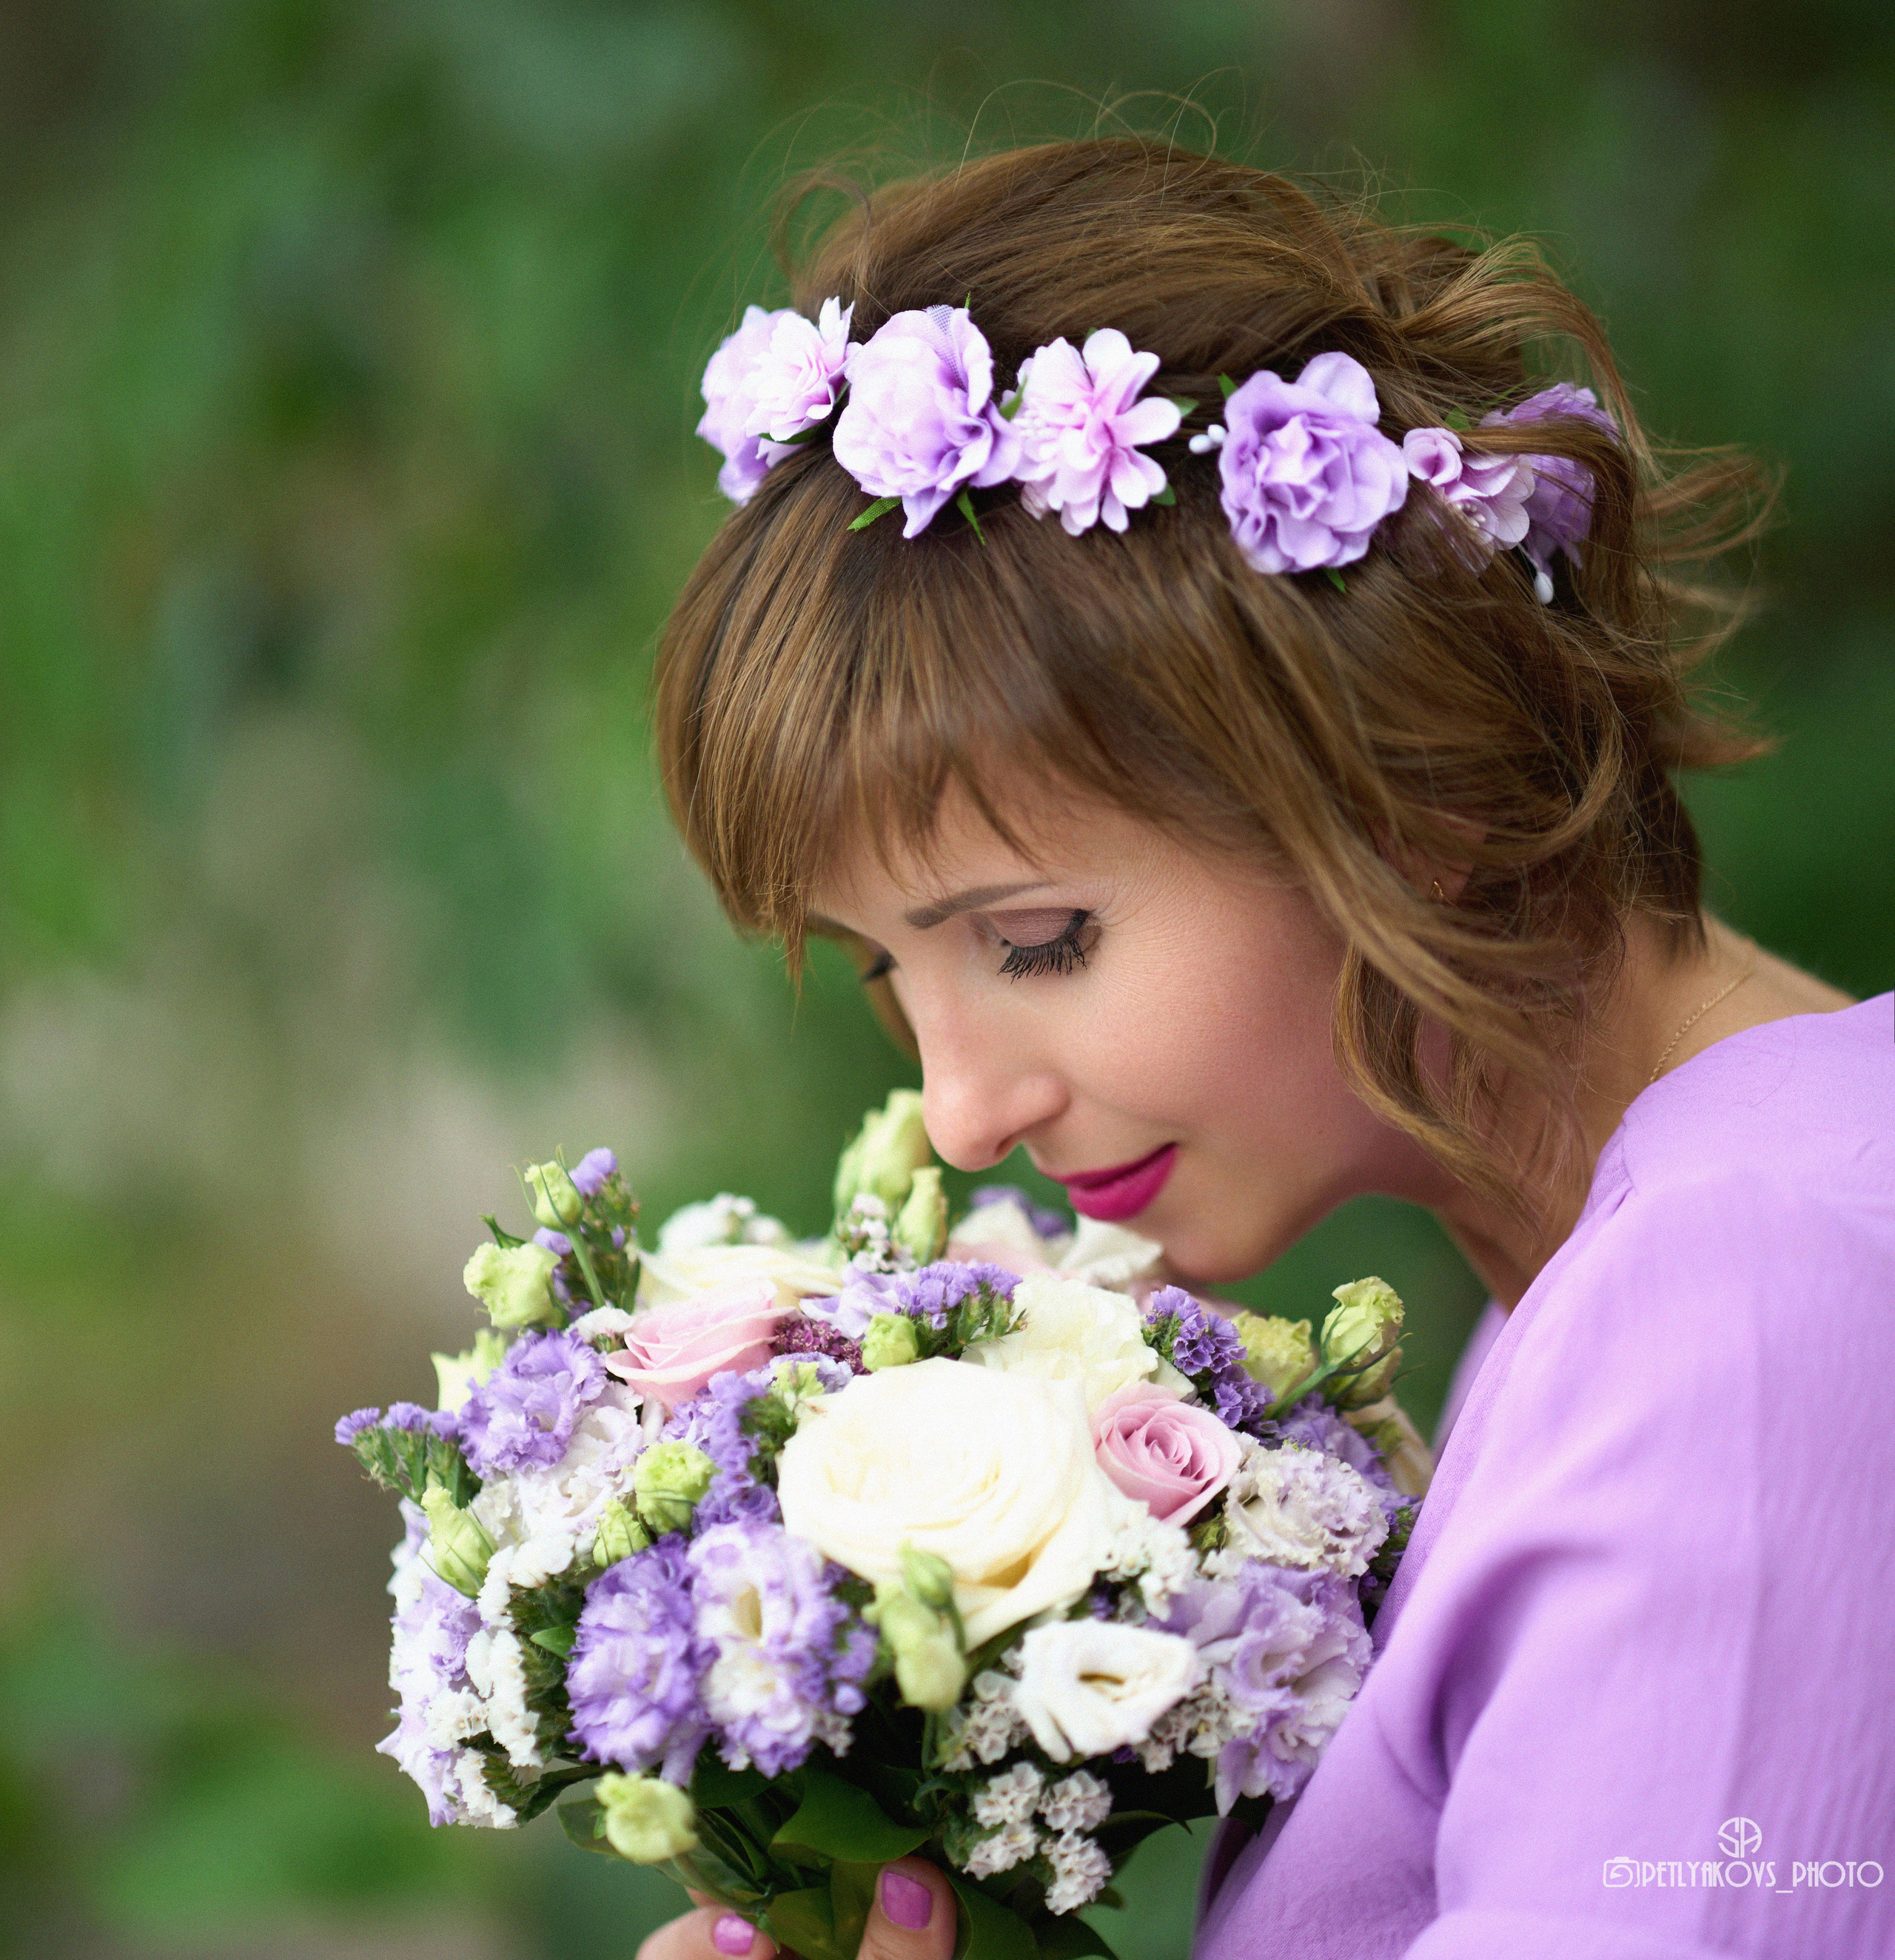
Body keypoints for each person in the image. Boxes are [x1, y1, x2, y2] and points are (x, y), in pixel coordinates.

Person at [637, 138, 1891, 1960]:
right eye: (886, 973)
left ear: (1401, 782)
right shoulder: (1647, 1272)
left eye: (1034, 939)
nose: (964, 1106)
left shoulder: (1741, 1314)